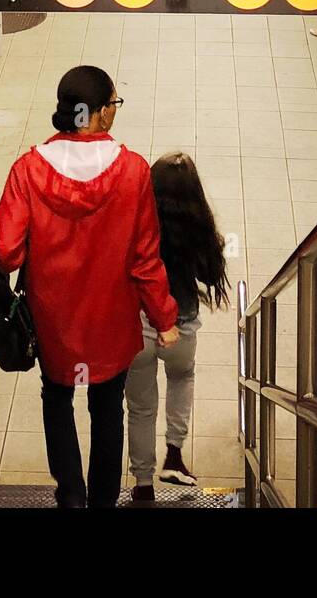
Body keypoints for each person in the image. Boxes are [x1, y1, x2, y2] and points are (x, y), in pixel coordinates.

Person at [0, 65, 180, 508]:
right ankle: (102, 502)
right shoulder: (132, 171)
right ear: (98, 114)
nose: (115, 110)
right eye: (114, 102)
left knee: (57, 398)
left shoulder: (28, 169)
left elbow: (6, 251)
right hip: (109, 321)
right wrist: (164, 318)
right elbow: (144, 258)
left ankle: (71, 496)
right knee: (107, 408)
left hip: (54, 319)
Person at [125, 152, 230, 503]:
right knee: (181, 379)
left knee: (140, 407)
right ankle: (174, 456)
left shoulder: (135, 222)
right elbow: (211, 273)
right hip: (181, 328)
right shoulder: (198, 228)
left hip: (138, 327)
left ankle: (142, 483)